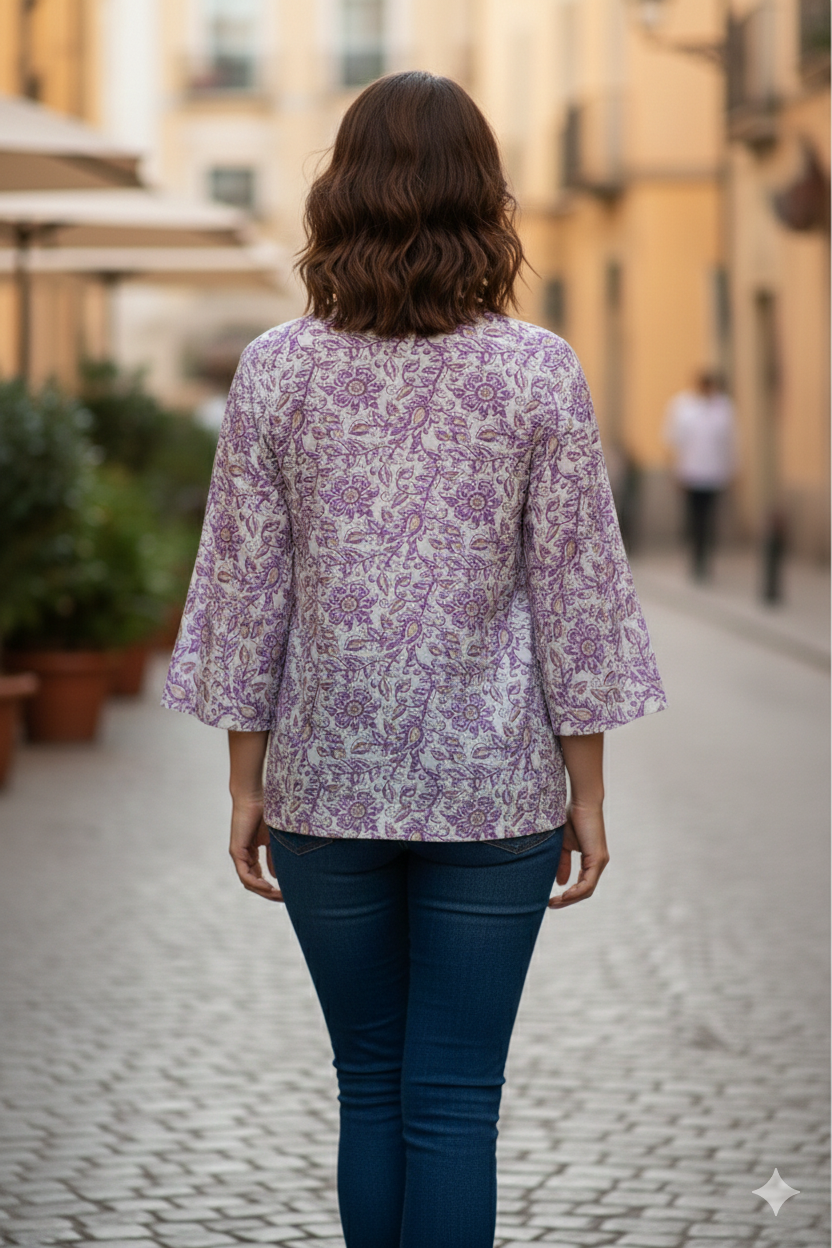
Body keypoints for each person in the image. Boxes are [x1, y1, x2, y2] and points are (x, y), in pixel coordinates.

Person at [162, 71, 666, 1248]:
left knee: (368, 1084)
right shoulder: (539, 371)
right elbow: (576, 599)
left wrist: (246, 784)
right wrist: (587, 793)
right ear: (483, 203)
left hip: (324, 786)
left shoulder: (275, 370)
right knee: (452, 1104)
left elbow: (247, 597)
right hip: (495, 793)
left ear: (339, 195)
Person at [664, 370, 737, 581]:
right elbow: (674, 442)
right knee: (694, 519)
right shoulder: (683, 407)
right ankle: (695, 559)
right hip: (691, 474)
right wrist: (675, 471)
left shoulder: (724, 408)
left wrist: (732, 470)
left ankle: (706, 560)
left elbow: (731, 442)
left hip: (714, 474)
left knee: (710, 519)